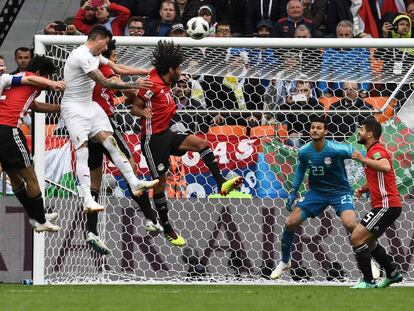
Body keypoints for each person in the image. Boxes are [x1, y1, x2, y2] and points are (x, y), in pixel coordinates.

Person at [131, 41, 243, 246]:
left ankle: (221, 184)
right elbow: (134, 107)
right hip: (152, 140)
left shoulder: (165, 83)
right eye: (179, 69)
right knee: (160, 183)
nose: (182, 73)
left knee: (201, 143)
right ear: (171, 70)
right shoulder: (152, 84)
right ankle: (166, 227)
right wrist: (142, 111)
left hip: (166, 133)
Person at [61, 25, 158, 215]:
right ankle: (88, 200)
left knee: (111, 143)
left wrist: (145, 72)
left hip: (90, 106)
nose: (106, 48)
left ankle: (134, 182)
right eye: (105, 43)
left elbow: (116, 67)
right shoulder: (82, 56)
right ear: (97, 39)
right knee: (82, 152)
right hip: (73, 109)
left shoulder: (95, 54)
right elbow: (104, 81)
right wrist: (133, 84)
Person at [270, 116, 378, 280]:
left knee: (350, 223)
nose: (315, 130)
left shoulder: (337, 149)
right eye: (312, 127)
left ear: (325, 131)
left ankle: (369, 259)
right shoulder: (304, 151)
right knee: (289, 223)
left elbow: (362, 155)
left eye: (319, 128)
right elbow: (300, 170)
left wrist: (370, 181)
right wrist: (293, 192)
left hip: (340, 192)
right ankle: (285, 261)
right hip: (316, 193)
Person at [85, 40, 162, 255]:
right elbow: (119, 83)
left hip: (87, 125)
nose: (116, 61)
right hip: (106, 123)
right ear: (109, 55)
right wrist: (137, 86)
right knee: (131, 167)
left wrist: (130, 91)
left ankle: (91, 231)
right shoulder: (106, 68)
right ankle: (150, 218)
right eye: (116, 56)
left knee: (95, 180)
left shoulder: (87, 69)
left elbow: (119, 90)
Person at [0, 56, 65, 232]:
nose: (49, 80)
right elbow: (32, 80)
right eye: (48, 76)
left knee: (14, 176)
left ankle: (36, 216)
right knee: (31, 177)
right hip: (9, 130)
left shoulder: (17, 79)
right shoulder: (31, 79)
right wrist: (54, 84)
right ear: (39, 74)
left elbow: (34, 105)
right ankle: (41, 220)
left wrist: (59, 109)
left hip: (1, 130)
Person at [350, 117, 403, 288]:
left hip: (386, 205)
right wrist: (362, 189)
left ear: (370, 133)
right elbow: (378, 176)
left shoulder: (377, 150)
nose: (359, 132)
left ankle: (368, 281)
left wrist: (361, 159)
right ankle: (392, 274)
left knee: (357, 237)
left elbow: (385, 166)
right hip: (387, 205)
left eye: (362, 129)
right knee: (369, 242)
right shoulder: (372, 152)